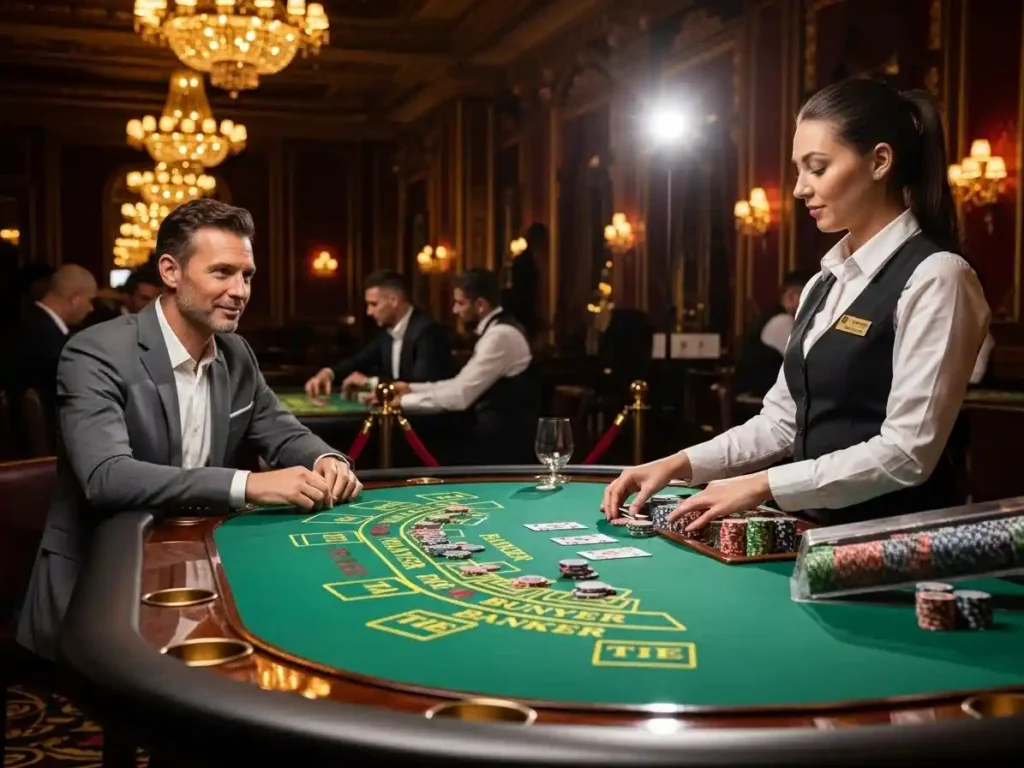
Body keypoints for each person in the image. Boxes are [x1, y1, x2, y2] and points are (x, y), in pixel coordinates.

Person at [601, 78, 990, 531]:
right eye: (798, 169)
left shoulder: (937, 275)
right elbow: (782, 423)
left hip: (893, 543)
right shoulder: (823, 283)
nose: (799, 189)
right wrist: (677, 463)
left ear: (880, 161)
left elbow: (907, 454)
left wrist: (763, 484)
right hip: (811, 533)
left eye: (817, 168)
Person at [17, 198, 362, 661]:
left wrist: (326, 459)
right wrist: (249, 484)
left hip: (199, 564)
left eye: (247, 275)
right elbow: (107, 477)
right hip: (102, 578)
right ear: (170, 271)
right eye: (222, 273)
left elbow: (283, 431)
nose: (240, 291)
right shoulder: (95, 352)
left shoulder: (236, 354)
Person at [385, 268, 539, 463]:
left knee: (414, 452)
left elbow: (460, 396)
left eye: (460, 303)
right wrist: (410, 388)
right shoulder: (497, 331)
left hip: (504, 447)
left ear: (480, 305)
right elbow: (459, 384)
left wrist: (403, 402)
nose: (454, 310)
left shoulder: (501, 336)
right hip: (494, 438)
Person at [304, 269, 453, 398]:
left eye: (374, 304)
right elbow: (358, 361)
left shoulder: (427, 332)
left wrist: (370, 383)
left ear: (393, 300)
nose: (369, 312)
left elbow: (420, 386)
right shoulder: (387, 332)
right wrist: (328, 373)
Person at [732, 270, 817, 399]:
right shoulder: (782, 321)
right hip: (759, 401)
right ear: (792, 296)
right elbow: (804, 362)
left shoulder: (771, 316)